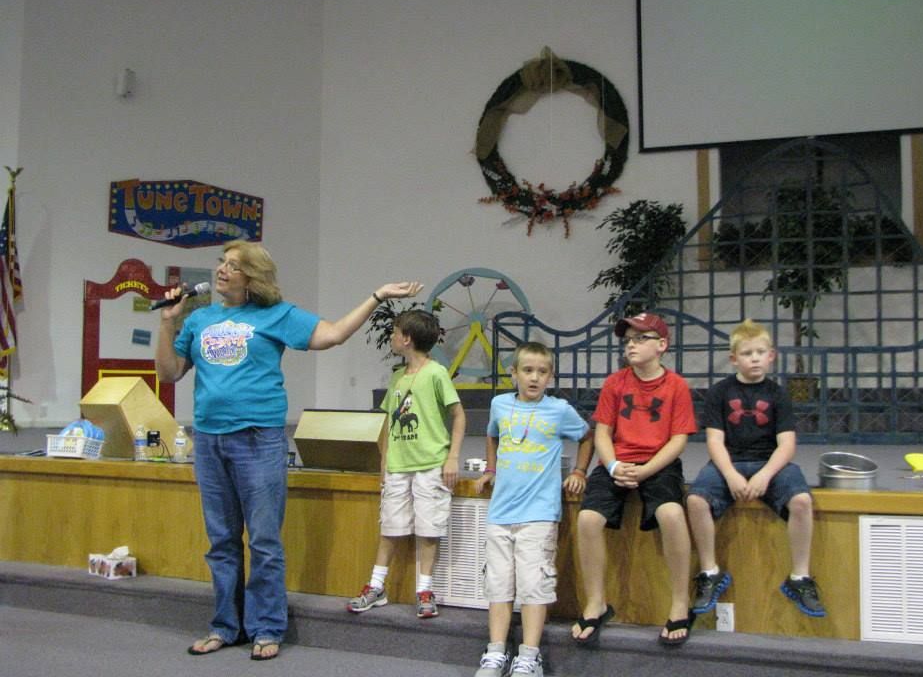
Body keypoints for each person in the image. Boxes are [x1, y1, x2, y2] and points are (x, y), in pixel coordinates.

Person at [155, 239, 423, 661]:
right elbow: (169, 373)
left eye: (233, 266)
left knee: (263, 540)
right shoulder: (199, 318)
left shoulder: (276, 315)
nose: (222, 271)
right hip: (209, 440)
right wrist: (168, 323)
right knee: (221, 541)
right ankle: (225, 626)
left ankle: (266, 627)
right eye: (221, 263)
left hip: (257, 439)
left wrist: (377, 296)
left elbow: (332, 334)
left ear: (253, 278)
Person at [571, 313, 697, 647]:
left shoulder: (676, 386)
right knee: (586, 518)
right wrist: (612, 466)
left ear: (662, 345)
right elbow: (602, 431)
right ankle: (596, 602)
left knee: (671, 513)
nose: (632, 345)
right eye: (628, 340)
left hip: (657, 464)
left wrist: (646, 470)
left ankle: (680, 601)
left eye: (641, 338)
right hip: (618, 461)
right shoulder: (615, 383)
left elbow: (679, 439)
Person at [686, 318, 826, 618]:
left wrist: (765, 474)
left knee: (801, 500)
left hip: (769, 462)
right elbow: (714, 440)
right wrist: (731, 474)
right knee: (696, 500)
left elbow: (787, 445)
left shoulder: (778, 394)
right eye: (748, 353)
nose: (755, 359)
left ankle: (800, 576)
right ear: (734, 358)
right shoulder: (720, 392)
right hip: (730, 462)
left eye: (760, 352)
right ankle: (710, 572)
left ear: (771, 356)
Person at [472, 342, 594, 677]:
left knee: (533, 585)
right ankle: (496, 651)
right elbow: (492, 435)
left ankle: (529, 655)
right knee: (498, 584)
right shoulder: (499, 404)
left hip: (538, 514)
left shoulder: (559, 410)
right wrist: (491, 469)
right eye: (527, 370)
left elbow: (587, 436)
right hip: (501, 513)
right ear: (513, 373)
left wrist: (580, 471)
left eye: (542, 372)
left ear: (550, 376)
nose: (534, 377)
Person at [347, 308, 466, 619]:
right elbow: (389, 421)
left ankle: (425, 589)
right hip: (398, 467)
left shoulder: (436, 373)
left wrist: (452, 456)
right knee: (390, 526)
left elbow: (458, 415)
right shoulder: (398, 377)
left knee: (429, 529)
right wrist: (385, 461)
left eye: (395, 332)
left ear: (407, 339)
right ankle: (376, 586)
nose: (391, 337)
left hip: (430, 464)